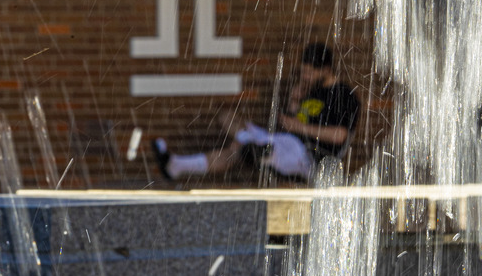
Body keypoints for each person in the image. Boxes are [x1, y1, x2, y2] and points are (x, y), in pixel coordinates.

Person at [152, 42, 360, 182]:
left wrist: (300, 127)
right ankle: (178, 165)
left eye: (309, 73)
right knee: (228, 117)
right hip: (284, 141)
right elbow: (291, 122)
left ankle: (252, 149)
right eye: (303, 72)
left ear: (325, 69)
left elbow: (339, 136)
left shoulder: (344, 94)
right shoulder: (311, 90)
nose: (305, 77)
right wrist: (294, 102)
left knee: (247, 150)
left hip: (309, 157)